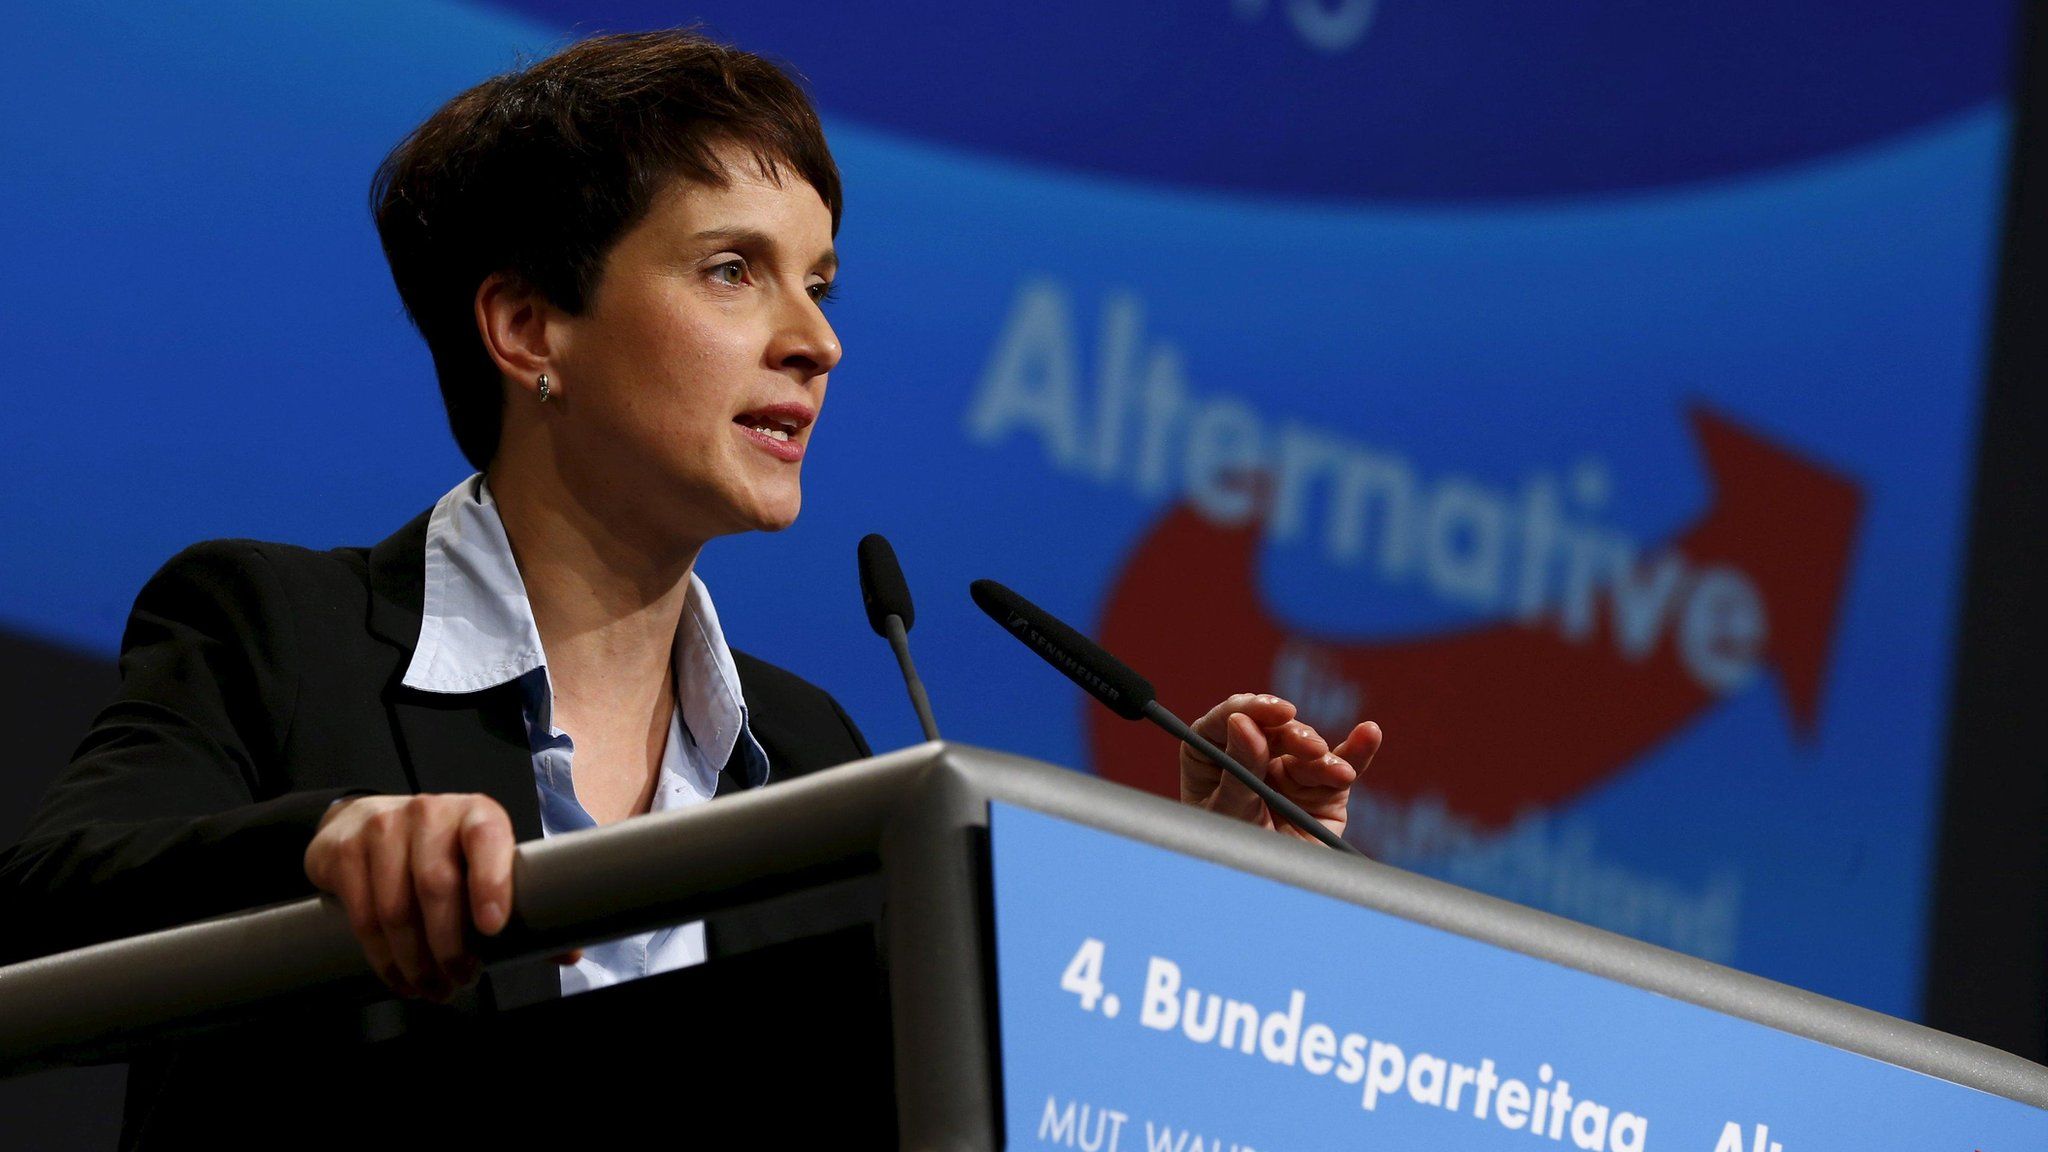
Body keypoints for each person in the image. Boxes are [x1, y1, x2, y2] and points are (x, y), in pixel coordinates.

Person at [0, 26, 1381, 1138]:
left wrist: (1204, 893)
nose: (817, 342)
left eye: (822, 284)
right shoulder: (276, 632)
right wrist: (323, 846)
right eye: (735, 272)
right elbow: (47, 900)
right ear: (529, 324)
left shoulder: (815, 761)